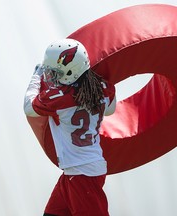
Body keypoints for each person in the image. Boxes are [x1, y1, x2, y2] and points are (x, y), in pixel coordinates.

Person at [23, 38, 116, 216]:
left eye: (55, 72)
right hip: (76, 171)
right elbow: (111, 110)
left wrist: (36, 77)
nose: (50, 77)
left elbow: (28, 107)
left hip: (82, 173)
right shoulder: (102, 89)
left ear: (71, 71)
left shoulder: (59, 97)